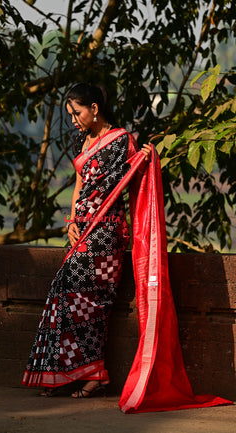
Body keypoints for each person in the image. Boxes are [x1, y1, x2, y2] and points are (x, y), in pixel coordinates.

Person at [22, 82, 151, 398]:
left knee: (92, 305)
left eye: (76, 112)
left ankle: (94, 375)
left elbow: (133, 177)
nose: (73, 120)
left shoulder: (121, 141)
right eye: (70, 114)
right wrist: (70, 222)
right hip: (81, 232)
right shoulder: (84, 141)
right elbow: (80, 184)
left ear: (94, 108)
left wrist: (147, 159)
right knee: (64, 296)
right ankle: (64, 373)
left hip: (105, 235)